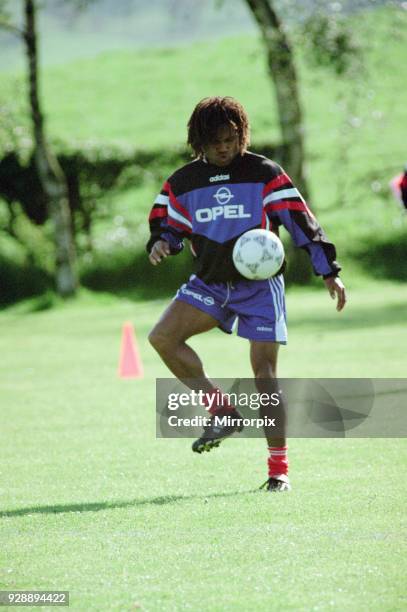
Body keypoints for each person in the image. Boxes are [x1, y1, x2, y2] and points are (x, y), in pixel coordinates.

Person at [146, 96, 346, 492]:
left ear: (242, 136)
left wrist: (329, 272)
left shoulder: (264, 174)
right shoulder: (183, 182)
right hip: (210, 283)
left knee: (264, 375)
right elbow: (167, 224)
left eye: (231, 138)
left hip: (259, 288)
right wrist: (162, 242)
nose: (224, 147)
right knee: (163, 337)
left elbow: (302, 223)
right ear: (198, 141)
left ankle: (278, 471)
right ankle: (222, 410)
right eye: (215, 141)